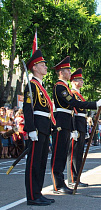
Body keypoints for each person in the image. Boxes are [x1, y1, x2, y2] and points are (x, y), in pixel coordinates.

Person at [51, 56, 101, 194]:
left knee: (63, 154)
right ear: (61, 72)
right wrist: (94, 104)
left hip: (66, 121)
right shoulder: (59, 87)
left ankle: (62, 183)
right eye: (68, 70)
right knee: (60, 155)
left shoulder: (65, 87)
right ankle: (58, 184)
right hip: (61, 122)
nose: (70, 73)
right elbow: (74, 104)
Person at [23, 49, 56, 206]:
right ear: (34, 68)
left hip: (44, 128)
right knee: (33, 164)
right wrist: (30, 129)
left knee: (42, 163)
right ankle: (32, 196)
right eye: (42, 64)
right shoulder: (31, 86)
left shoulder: (41, 86)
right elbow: (27, 109)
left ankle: (38, 192)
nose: (45, 67)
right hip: (36, 128)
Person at [67, 68, 91, 188]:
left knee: (79, 153)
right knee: (73, 153)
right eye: (79, 80)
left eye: (81, 80)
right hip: (76, 123)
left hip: (82, 123)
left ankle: (77, 178)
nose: (81, 82)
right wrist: (73, 129)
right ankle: (72, 178)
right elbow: (73, 111)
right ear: (74, 81)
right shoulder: (72, 94)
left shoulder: (79, 95)